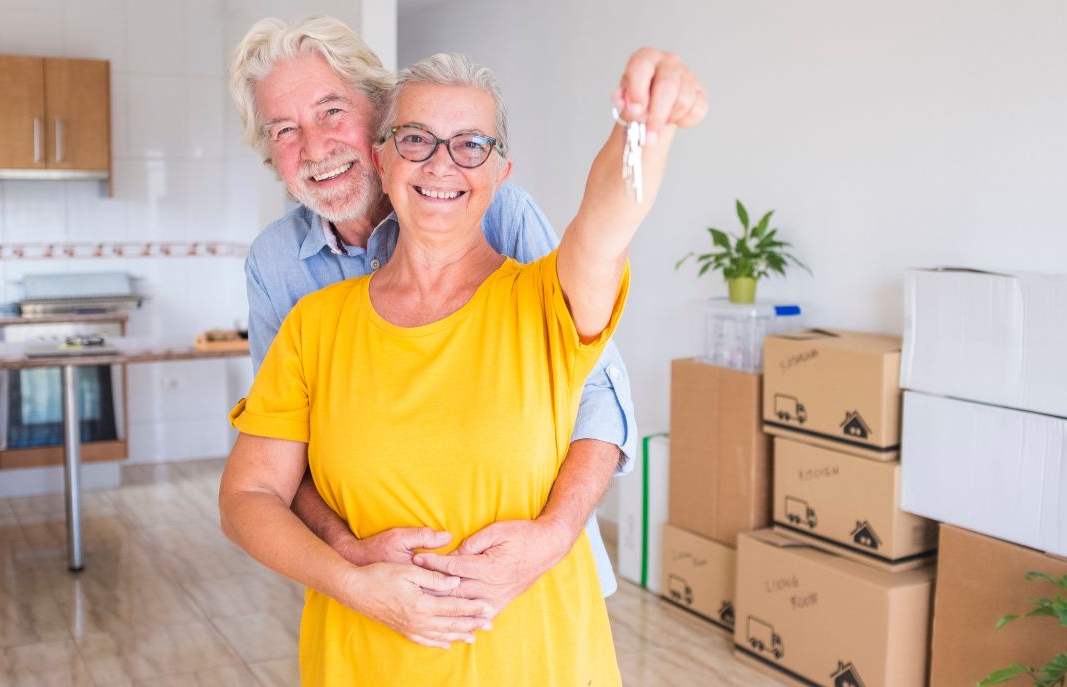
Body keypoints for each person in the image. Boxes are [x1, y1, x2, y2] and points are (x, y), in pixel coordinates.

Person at [220, 48, 706, 684]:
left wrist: (643, 127)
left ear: (502, 170)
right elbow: (249, 496)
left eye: (471, 145)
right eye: (417, 139)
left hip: (537, 660)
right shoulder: (314, 323)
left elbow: (608, 222)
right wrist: (354, 582)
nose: (441, 163)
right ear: (381, 156)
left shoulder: (544, 300)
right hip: (363, 662)